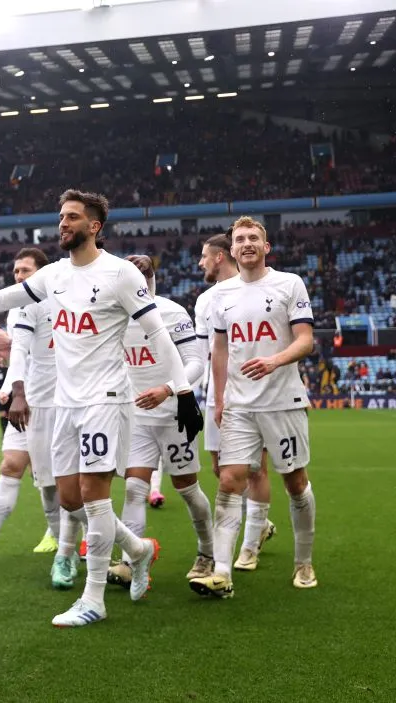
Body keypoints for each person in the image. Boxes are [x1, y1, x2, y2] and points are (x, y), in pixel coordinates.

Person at [0, 189, 203, 627]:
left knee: (93, 499)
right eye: (61, 217)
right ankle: (139, 548)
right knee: (70, 500)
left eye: (72, 217)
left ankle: (93, 600)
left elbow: (158, 335)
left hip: (105, 400)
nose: (63, 224)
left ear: (94, 226)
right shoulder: (53, 275)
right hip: (64, 402)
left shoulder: (120, 273)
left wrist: (183, 392)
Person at [190, 216, 317, 599]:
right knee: (229, 481)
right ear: (231, 250)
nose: (246, 243)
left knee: (295, 482)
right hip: (239, 406)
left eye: (254, 238)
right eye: (240, 239)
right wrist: (219, 397)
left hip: (282, 402)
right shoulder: (220, 295)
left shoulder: (289, 284)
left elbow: (306, 340)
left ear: (266, 247)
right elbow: (221, 349)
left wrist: (274, 361)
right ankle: (223, 573)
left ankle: (303, 561)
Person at [107, 262, 211, 588]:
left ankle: (207, 552)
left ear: (152, 280)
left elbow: (196, 363)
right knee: (135, 488)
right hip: (137, 417)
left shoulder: (172, 313)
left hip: (173, 415)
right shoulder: (114, 315)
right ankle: (131, 560)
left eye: (145, 278)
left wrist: (167, 389)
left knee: (187, 489)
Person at [0, 247, 61, 563]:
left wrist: (11, 346)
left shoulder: (56, 304)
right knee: (11, 465)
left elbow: (53, 354)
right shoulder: (17, 310)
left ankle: (66, 539)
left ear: (41, 274)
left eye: (25, 271)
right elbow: (18, 359)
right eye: (16, 272)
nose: (19, 277)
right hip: (23, 401)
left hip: (54, 401)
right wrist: (9, 387)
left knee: (54, 481)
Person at [194, 232, 276, 572]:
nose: (200, 262)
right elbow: (201, 352)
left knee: (256, 467)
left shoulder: (261, 291)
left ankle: (250, 543)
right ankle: (260, 525)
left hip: (255, 391)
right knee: (223, 471)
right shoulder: (205, 300)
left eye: (203, 256)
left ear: (218, 257)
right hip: (216, 394)